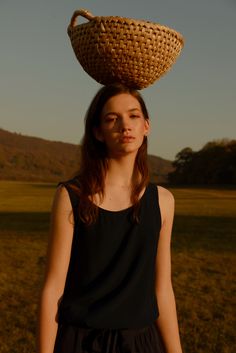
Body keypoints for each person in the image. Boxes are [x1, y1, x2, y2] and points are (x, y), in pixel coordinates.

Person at [37, 83, 183, 353]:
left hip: (141, 343)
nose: (124, 125)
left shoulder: (163, 201)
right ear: (98, 132)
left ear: (146, 126)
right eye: (111, 119)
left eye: (133, 115)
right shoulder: (72, 195)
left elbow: (162, 289)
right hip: (80, 341)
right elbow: (53, 288)